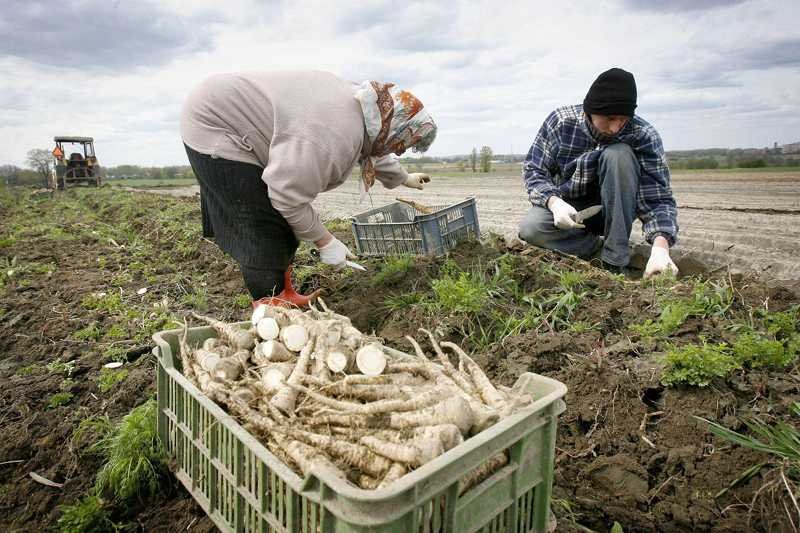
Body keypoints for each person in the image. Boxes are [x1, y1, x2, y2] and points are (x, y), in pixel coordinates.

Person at [180, 71, 436, 305]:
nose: (397, 151)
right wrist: (326, 242)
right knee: (263, 226)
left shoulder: (368, 109)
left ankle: (287, 294)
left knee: (283, 224)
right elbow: (287, 197)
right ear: (392, 130)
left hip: (226, 108)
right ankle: (272, 310)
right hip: (215, 123)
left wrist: (404, 177)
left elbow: (375, 148)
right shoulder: (331, 140)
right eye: (400, 145)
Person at [518, 67, 679, 277]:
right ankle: (597, 250)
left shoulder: (643, 135)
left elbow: (658, 198)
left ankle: (614, 262)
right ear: (590, 110)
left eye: (622, 120)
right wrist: (553, 202)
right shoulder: (560, 122)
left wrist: (661, 248)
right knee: (531, 229)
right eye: (610, 118)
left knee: (619, 154)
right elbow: (533, 169)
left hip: (615, 211)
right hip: (568, 213)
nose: (615, 128)